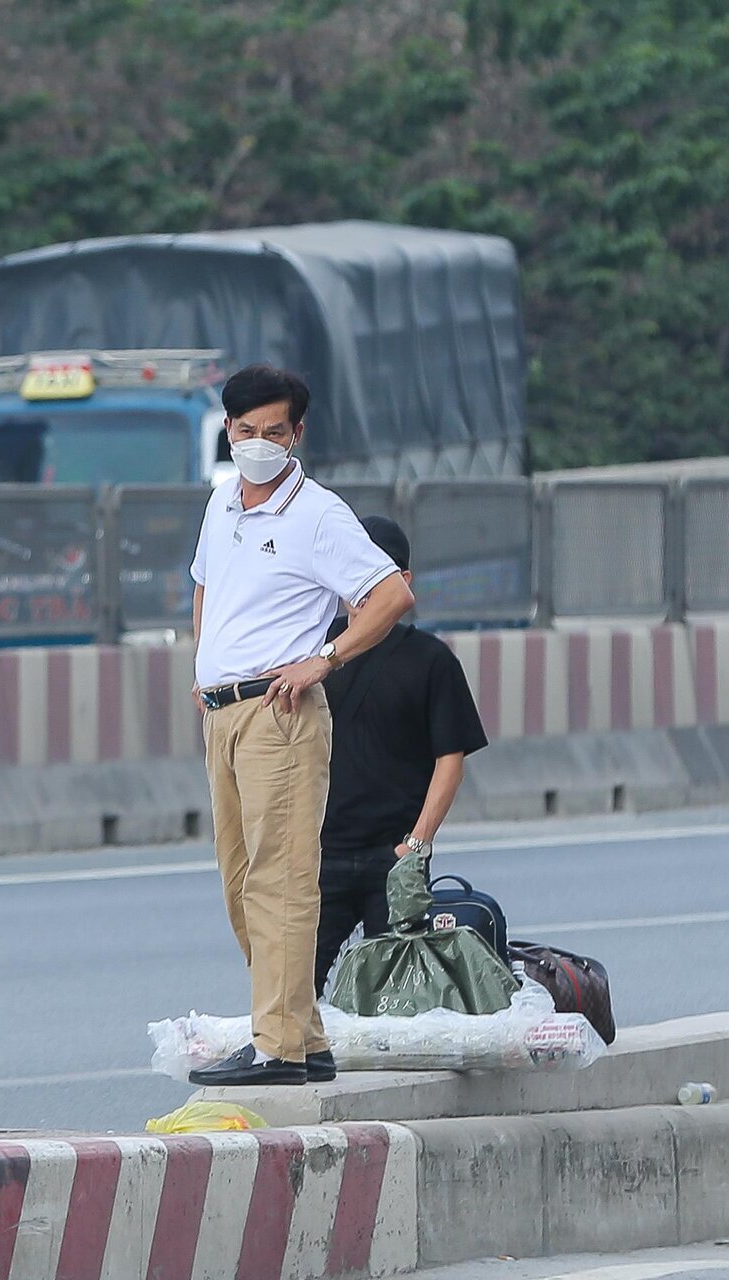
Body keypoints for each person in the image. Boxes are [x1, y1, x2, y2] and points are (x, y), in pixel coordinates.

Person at [186, 365, 414, 1088]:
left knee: (280, 882)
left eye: (273, 432)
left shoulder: (317, 514)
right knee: (239, 880)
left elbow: (389, 594)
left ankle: (278, 1046)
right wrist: (203, 668)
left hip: (280, 710)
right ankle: (303, 1032)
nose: (259, 445)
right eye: (246, 432)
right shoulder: (221, 503)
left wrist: (326, 659)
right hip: (223, 710)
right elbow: (203, 583)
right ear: (228, 431)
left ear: (298, 434)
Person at [315, 515, 489, 991]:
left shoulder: (431, 660)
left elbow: (450, 762)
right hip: (315, 855)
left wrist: (415, 845)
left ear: (403, 582)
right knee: (291, 995)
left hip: (393, 860)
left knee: (393, 1002)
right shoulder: (310, 648)